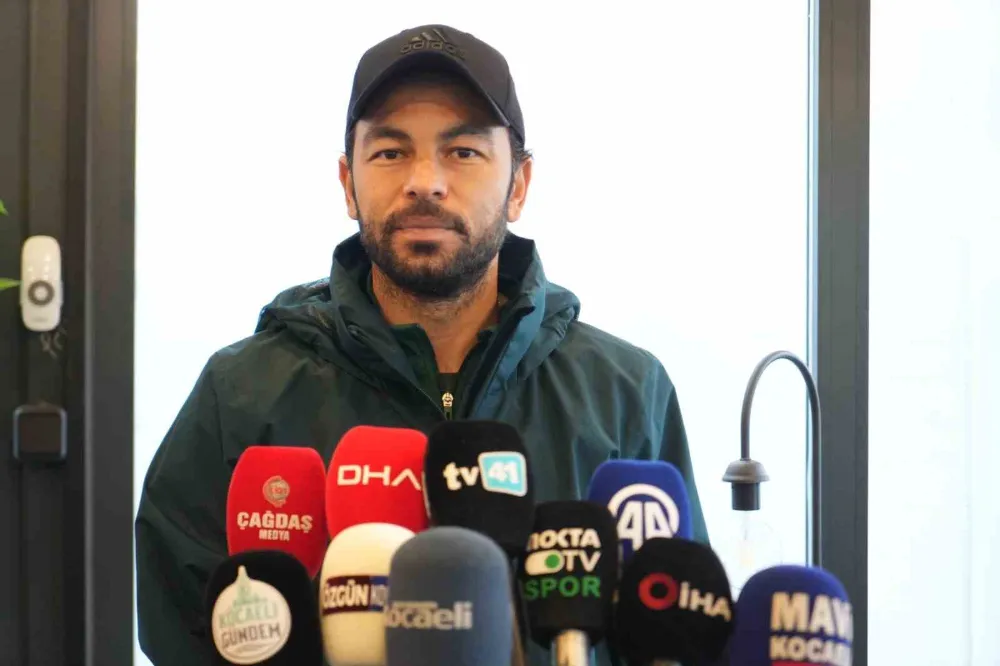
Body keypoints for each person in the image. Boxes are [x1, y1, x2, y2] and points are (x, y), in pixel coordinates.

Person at [135, 23, 708, 665]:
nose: (426, 181)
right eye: (390, 152)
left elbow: (675, 630)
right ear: (348, 184)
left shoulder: (627, 394)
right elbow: (181, 630)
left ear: (519, 185)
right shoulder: (240, 394)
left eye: (462, 151)